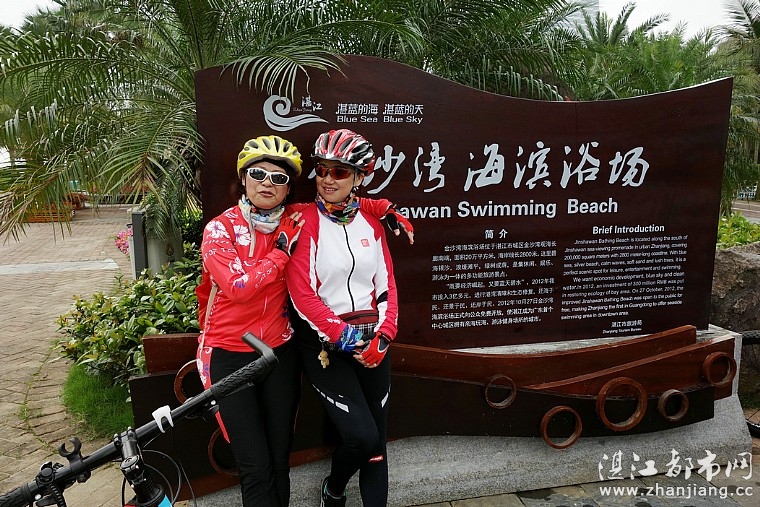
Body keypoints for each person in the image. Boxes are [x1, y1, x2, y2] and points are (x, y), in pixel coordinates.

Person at [196, 134, 411, 507]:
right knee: (256, 464)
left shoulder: (317, 219)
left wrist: (384, 208)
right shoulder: (252, 225)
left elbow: (382, 274)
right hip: (250, 351)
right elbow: (255, 289)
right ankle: (329, 491)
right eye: (258, 174)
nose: (267, 184)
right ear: (243, 178)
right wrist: (282, 254)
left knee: (295, 457)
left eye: (278, 178)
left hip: (287, 351)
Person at [286, 129, 399, 507]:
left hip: (374, 344)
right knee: (362, 438)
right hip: (325, 348)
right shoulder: (303, 221)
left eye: (339, 172)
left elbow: (386, 285)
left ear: (359, 177)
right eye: (322, 170)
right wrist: (345, 337)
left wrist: (384, 336)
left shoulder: (372, 223)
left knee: (377, 446)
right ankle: (333, 491)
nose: (327, 179)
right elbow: (301, 293)